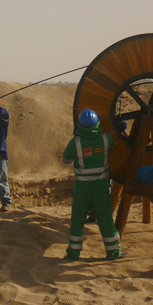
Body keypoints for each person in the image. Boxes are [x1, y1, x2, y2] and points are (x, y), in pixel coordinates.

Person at [62, 108, 121, 261]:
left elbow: (66, 160)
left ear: (80, 126)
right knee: (106, 221)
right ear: (97, 124)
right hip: (101, 190)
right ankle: (113, 253)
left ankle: (73, 254)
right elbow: (117, 143)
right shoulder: (107, 139)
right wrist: (119, 127)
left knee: (77, 222)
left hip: (82, 191)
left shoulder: (75, 143)